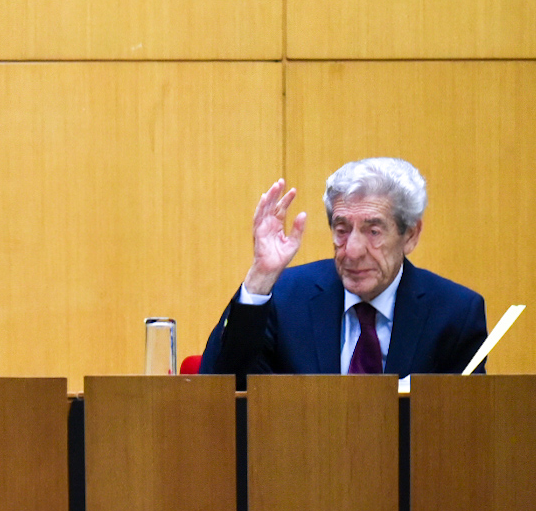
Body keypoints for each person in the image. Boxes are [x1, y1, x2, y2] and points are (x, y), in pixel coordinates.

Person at [201, 157, 486, 387]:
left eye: (373, 232)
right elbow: (220, 388)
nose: (352, 250)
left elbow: (465, 423)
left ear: (410, 235)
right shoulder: (285, 297)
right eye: (342, 230)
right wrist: (260, 278)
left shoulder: (455, 314)